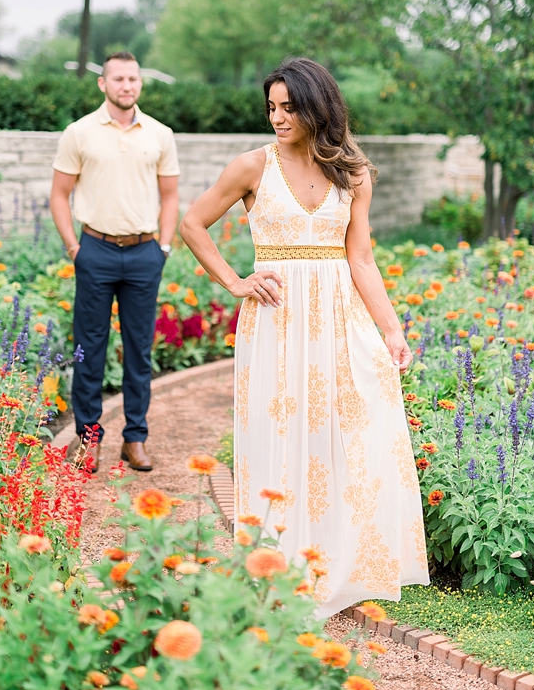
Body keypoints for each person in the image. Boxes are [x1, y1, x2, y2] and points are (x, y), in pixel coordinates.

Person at [179, 57, 429, 618]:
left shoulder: (353, 173)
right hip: (275, 320)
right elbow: (192, 223)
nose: (277, 118)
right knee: (280, 431)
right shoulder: (251, 167)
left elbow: (360, 258)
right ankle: (278, 563)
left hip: (340, 317)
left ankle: (334, 558)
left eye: (289, 108)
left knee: (342, 435)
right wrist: (235, 281)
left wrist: (392, 330)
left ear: (317, 107)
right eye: (271, 108)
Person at [51, 51, 180, 472]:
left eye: (133, 79)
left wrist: (162, 247)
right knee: (89, 348)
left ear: (140, 84)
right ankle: (89, 438)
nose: (127, 85)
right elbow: (59, 194)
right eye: (118, 79)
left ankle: (135, 439)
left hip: (144, 254)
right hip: (96, 252)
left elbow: (170, 195)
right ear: (103, 84)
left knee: (139, 351)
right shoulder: (79, 133)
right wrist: (75, 249)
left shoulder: (160, 134)